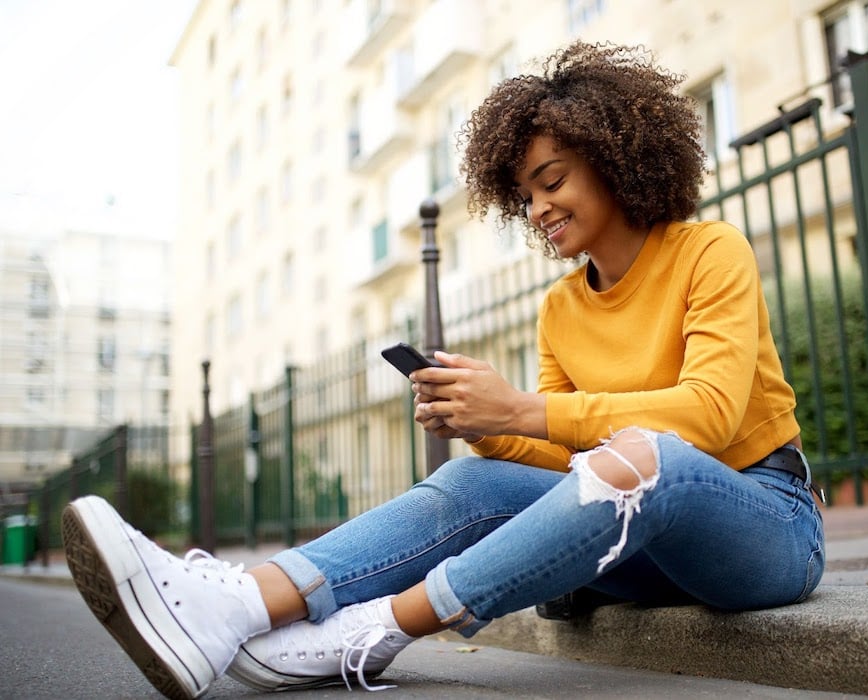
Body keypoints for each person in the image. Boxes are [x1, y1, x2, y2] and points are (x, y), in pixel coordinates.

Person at [63, 42, 824, 699]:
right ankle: (237, 603)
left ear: (615, 161)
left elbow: (710, 414)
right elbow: (568, 459)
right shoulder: (562, 308)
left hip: (763, 525)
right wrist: (487, 425)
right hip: (639, 546)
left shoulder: (708, 251)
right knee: (471, 482)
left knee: (647, 458)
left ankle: (377, 629)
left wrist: (522, 411)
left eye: (552, 182)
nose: (537, 210)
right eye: (524, 196)